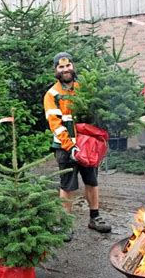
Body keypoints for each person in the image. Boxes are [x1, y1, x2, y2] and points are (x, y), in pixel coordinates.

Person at [43, 52, 111, 240]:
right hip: (65, 147)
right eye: (61, 67)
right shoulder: (52, 95)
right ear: (56, 70)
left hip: (87, 145)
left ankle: (95, 218)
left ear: (73, 67)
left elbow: (95, 114)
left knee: (92, 181)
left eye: (68, 66)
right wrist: (70, 146)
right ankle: (65, 224)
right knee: (67, 186)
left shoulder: (83, 89)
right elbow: (55, 124)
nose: (65, 70)